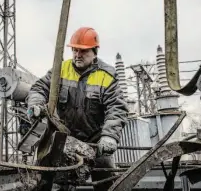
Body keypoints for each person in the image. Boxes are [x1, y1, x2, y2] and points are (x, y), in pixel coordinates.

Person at [26, 27, 129, 190]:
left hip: (96, 141)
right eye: (74, 50)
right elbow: (39, 88)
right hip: (64, 138)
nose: (77, 55)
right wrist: (36, 104)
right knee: (49, 181)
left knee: (107, 183)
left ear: (94, 51)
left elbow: (117, 107)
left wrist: (110, 136)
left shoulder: (107, 75)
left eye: (83, 51)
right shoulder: (60, 70)